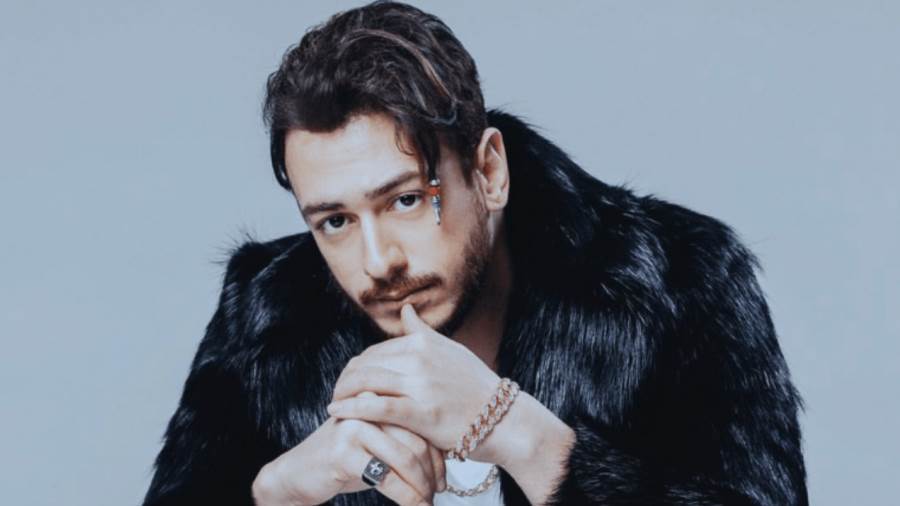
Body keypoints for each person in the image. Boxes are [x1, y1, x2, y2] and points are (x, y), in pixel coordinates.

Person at [142, 2, 808, 505]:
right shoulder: (266, 317)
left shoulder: (683, 280)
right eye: (335, 221)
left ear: (489, 171)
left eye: (407, 200)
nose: (377, 261)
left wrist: (532, 444)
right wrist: (276, 493)